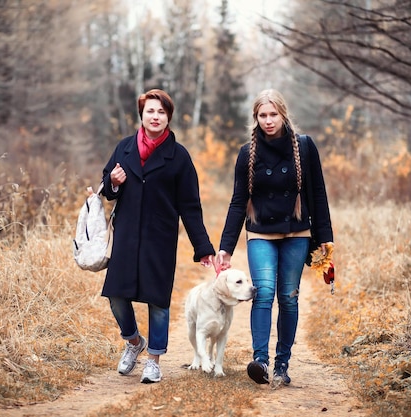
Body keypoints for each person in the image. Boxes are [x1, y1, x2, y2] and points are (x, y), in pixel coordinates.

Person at [215, 88, 333, 387]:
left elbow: (318, 194)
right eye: (262, 115)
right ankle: (261, 362)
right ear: (256, 118)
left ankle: (282, 363)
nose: (268, 120)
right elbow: (238, 201)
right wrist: (225, 247)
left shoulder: (304, 147)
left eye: (273, 114)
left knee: (289, 298)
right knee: (264, 292)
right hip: (260, 234)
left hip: (297, 232)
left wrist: (324, 239)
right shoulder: (247, 153)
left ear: (283, 114)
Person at [100, 88, 215, 384]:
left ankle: (154, 359)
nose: (155, 116)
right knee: (115, 295)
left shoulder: (179, 157)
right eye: (150, 111)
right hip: (126, 235)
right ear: (142, 115)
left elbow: (190, 206)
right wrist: (112, 182)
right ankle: (134, 342)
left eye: (161, 112)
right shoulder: (124, 148)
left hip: (160, 238)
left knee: (158, 301)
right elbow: (107, 187)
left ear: (168, 117)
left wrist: (202, 246)